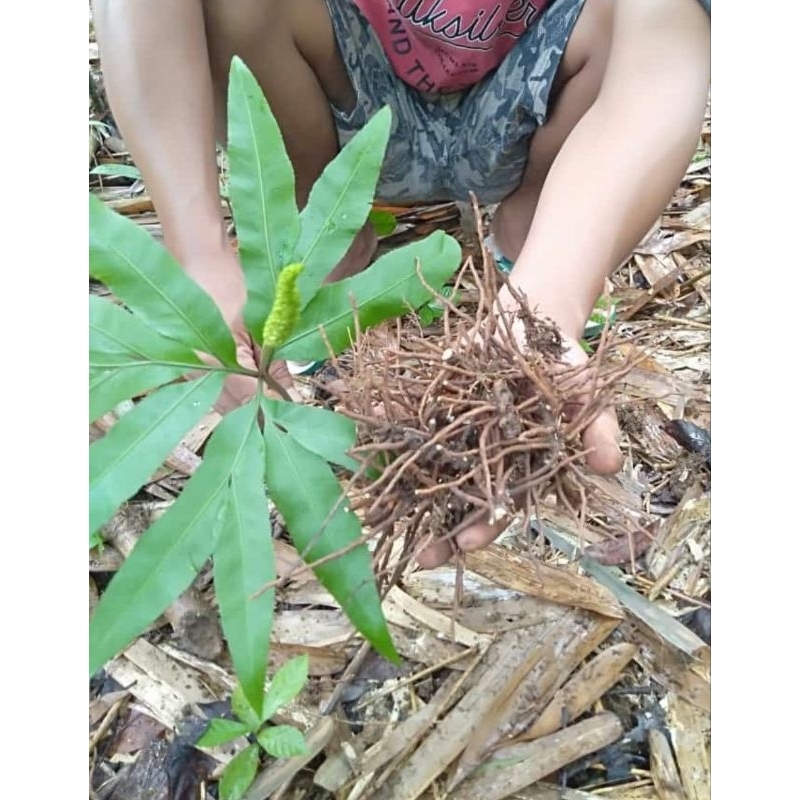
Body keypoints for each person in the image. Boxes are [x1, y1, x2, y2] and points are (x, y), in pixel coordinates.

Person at [92, 0, 711, 566]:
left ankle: (540, 235)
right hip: (344, 90)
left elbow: (668, 38)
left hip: (538, 91)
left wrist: (547, 306)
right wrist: (198, 255)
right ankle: (325, 217)